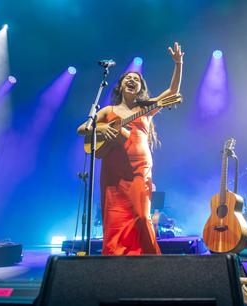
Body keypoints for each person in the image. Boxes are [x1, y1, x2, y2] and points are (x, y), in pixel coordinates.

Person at [77, 42, 184, 255]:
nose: (132, 80)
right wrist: (104, 127)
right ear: (120, 86)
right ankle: (115, 266)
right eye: (128, 78)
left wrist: (178, 63)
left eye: (137, 79)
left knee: (142, 216)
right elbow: (82, 129)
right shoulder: (109, 110)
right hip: (113, 172)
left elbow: (173, 91)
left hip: (139, 169)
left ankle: (148, 264)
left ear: (140, 88)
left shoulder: (146, 108)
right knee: (115, 219)